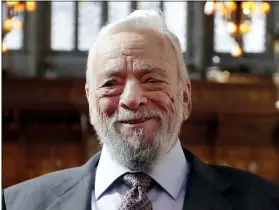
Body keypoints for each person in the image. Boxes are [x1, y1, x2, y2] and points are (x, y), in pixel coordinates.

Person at [2, 10, 279, 210]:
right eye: (111, 83)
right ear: (90, 100)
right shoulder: (16, 204)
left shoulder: (265, 202)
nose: (131, 99)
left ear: (184, 97)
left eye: (152, 80)